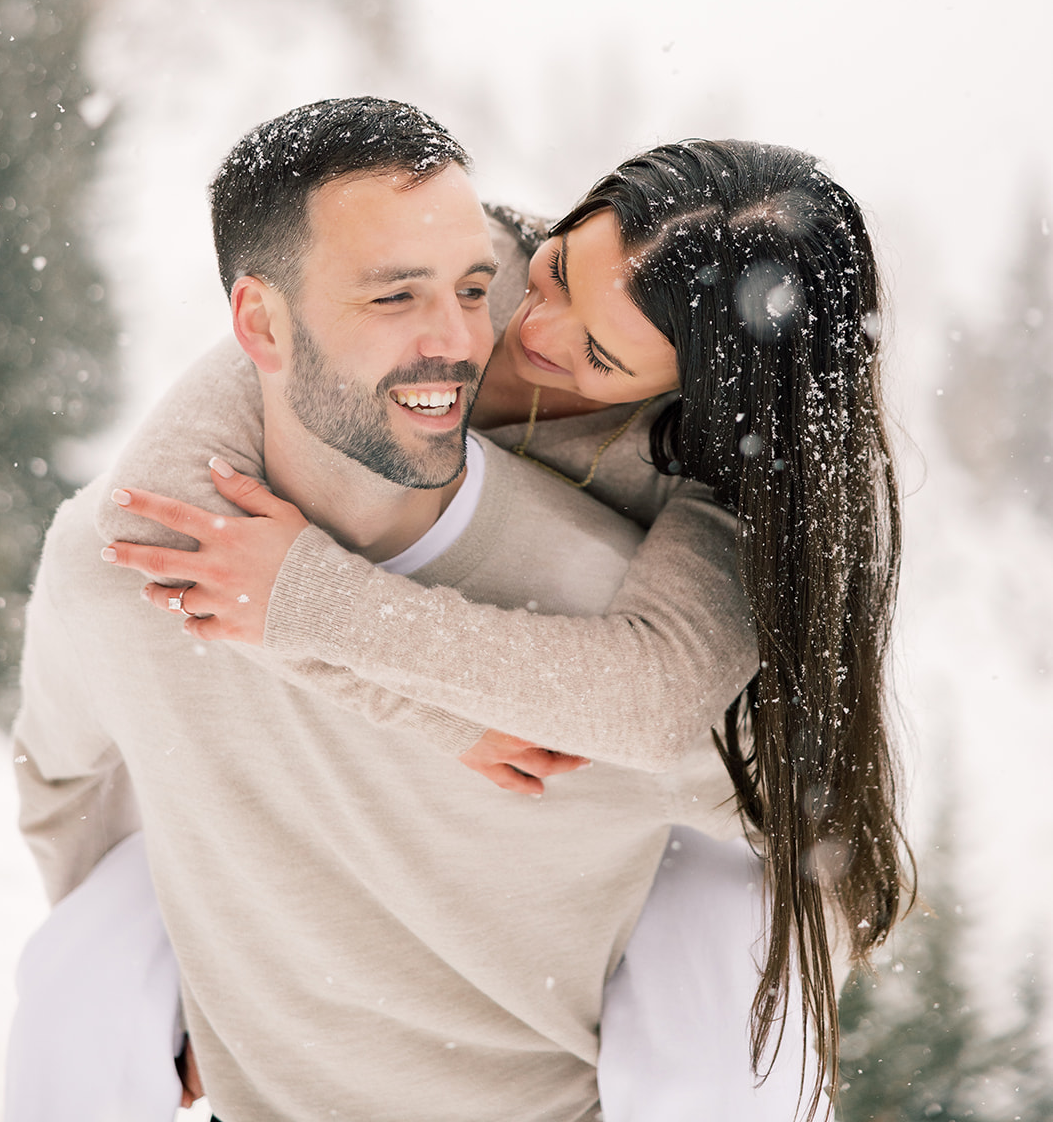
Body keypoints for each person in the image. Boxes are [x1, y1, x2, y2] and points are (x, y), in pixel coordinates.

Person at [90, 108, 909, 1115]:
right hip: (524, 796)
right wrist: (439, 713)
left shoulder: (745, 482)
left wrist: (311, 600)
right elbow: (162, 508)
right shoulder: (468, 270)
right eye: (561, 272)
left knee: (707, 1079)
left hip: (718, 840)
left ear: (697, 393)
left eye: (600, 357)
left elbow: (647, 702)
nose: (528, 329)